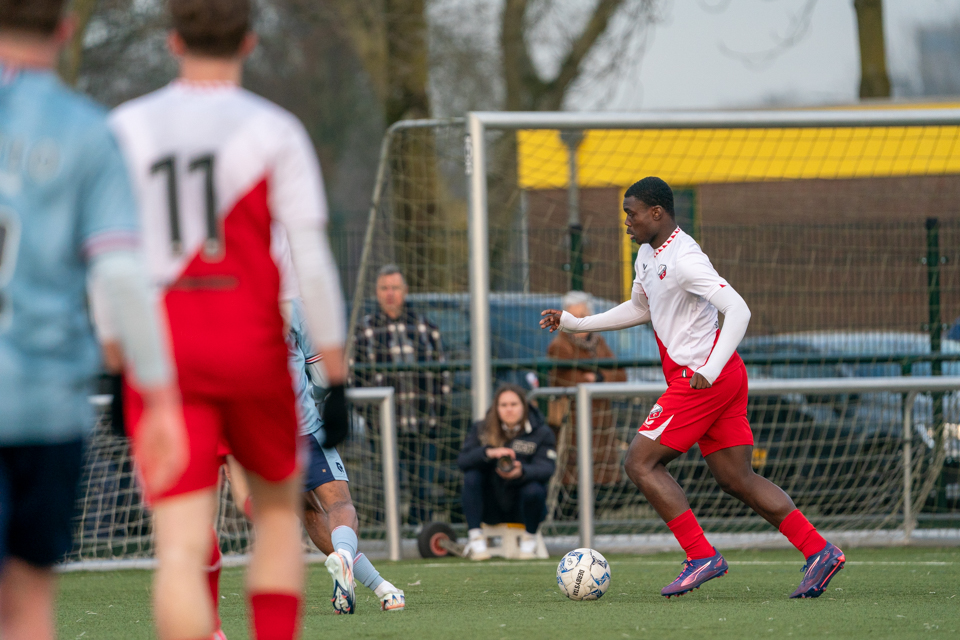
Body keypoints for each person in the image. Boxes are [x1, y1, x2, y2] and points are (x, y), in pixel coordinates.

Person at [106, 0, 351, 637]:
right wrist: (338, 372)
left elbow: (109, 259)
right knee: (273, 520)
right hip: (253, 350)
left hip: (165, 356)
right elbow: (314, 263)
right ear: (249, 42)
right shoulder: (275, 130)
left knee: (181, 545)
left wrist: (112, 359)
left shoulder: (127, 127)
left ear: (170, 41)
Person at [540, 176, 845, 599]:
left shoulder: (684, 257)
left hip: (702, 379)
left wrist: (711, 366)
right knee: (736, 477)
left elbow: (738, 309)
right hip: (718, 377)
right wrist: (575, 323)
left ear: (656, 213)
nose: (626, 221)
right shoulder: (647, 255)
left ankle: (701, 555)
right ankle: (819, 550)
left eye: (631, 213)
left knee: (639, 462)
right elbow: (639, 307)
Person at [0, 3, 186, 639]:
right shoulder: (86, 130)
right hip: (45, 404)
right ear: (65, 27)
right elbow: (123, 277)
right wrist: (158, 395)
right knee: (28, 603)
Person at [218, 297, 405, 616]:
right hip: (302, 427)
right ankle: (346, 559)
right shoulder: (292, 305)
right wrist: (318, 400)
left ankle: (383, 589)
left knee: (307, 512)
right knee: (339, 504)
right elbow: (320, 374)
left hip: (257, 435)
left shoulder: (221, 309)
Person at [351, 264, 450, 524]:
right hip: (383, 427)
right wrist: (369, 415)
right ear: (376, 292)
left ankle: (422, 532)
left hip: (423, 423)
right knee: (386, 485)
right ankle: (389, 535)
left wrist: (437, 411)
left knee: (423, 488)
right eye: (384, 288)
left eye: (395, 288)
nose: (390, 293)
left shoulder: (426, 328)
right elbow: (355, 379)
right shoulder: (365, 331)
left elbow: (444, 376)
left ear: (405, 291)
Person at [458, 385, 557, 560]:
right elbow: (463, 461)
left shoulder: (542, 432)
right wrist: (489, 453)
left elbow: (547, 468)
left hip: (522, 505)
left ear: (524, 406)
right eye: (503, 405)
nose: (509, 409)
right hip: (490, 504)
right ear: (496, 408)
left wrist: (521, 471)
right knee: (471, 476)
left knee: (534, 489)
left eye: (514, 404)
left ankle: (529, 539)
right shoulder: (481, 430)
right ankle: (476, 538)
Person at [547, 290, 627, 486]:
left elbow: (620, 375)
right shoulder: (559, 345)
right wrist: (595, 379)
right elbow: (568, 380)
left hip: (602, 420)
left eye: (583, 316)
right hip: (574, 421)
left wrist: (599, 377)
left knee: (604, 480)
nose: (579, 321)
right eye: (573, 316)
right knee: (575, 479)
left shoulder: (599, 342)